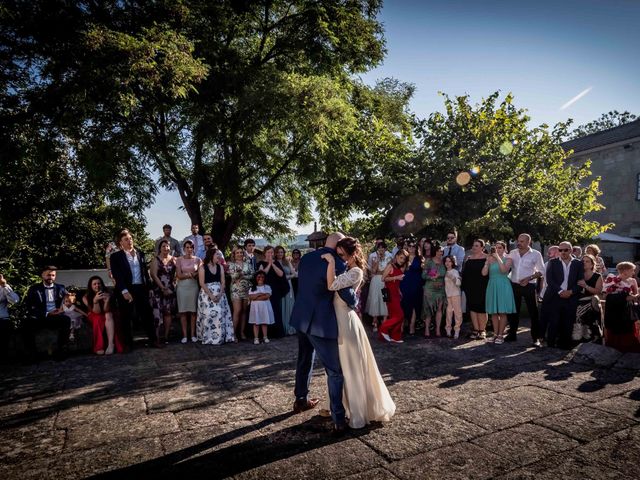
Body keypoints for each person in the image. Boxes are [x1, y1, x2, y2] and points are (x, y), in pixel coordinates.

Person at [321, 236, 396, 428]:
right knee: (341, 367)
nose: (340, 258)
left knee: (351, 366)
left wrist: (330, 263)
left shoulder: (355, 272)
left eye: (342, 255)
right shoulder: (346, 268)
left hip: (347, 322)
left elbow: (332, 285)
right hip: (337, 320)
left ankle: (358, 410)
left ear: (353, 254)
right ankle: (341, 406)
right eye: (337, 255)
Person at [291, 232, 357, 436]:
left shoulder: (306, 258)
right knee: (334, 371)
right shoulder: (337, 262)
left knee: (304, 359)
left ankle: (300, 400)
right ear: (339, 245)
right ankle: (338, 418)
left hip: (301, 316)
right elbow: (347, 296)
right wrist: (355, 298)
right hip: (321, 322)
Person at [110, 229, 158, 349]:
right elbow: (117, 275)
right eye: (126, 239)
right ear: (121, 242)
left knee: (147, 314)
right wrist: (124, 291)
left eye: (130, 239)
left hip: (141, 288)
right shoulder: (116, 257)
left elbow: (144, 272)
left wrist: (149, 287)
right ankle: (127, 344)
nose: (129, 241)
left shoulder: (140, 253)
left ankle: (153, 340)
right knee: (126, 317)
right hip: (127, 289)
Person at [540, 241, 584, 349]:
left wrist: (570, 292)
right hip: (555, 296)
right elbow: (550, 280)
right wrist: (560, 291)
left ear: (571, 250)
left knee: (568, 321)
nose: (563, 252)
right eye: (560, 250)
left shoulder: (578, 264)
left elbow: (580, 282)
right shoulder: (553, 262)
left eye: (565, 250)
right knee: (554, 321)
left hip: (571, 296)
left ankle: (565, 344)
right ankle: (551, 344)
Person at [23, 266, 71, 361]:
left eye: (53, 275)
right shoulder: (34, 289)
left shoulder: (60, 287)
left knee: (66, 320)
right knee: (26, 323)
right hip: (41, 317)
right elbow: (30, 307)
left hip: (56, 317)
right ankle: (32, 354)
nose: (51, 277)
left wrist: (67, 303)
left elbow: (69, 301)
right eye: (48, 275)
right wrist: (47, 313)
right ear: (42, 275)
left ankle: (61, 350)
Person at [506, 233, 545, 343]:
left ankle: (535, 338)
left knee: (533, 312)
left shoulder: (536, 254)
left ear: (529, 242)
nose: (519, 243)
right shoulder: (513, 253)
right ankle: (512, 335)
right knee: (514, 311)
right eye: (518, 241)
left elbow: (542, 271)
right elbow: (506, 265)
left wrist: (529, 278)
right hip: (514, 285)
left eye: (522, 241)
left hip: (529, 285)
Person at [197, 247, 234, 345]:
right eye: (217, 254)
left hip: (220, 293)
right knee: (209, 314)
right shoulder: (202, 268)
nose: (219, 256)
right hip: (206, 294)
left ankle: (220, 337)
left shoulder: (220, 267)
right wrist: (211, 296)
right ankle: (209, 337)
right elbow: (202, 283)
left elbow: (223, 282)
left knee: (221, 314)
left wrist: (220, 293)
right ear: (211, 255)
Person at [482, 241, 516, 344]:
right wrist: (487, 263)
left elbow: (504, 270)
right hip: (492, 285)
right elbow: (484, 273)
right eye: (496, 248)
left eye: (500, 248)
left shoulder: (508, 259)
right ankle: (495, 334)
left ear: (505, 249)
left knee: (502, 311)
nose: (497, 250)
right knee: (493, 312)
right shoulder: (490, 259)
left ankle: (501, 335)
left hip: (503, 285)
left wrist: (497, 257)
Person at [602, 262, 640, 352]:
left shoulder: (632, 281)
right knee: (615, 332)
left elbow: (634, 295)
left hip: (626, 310)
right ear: (625, 271)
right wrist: (626, 297)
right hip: (614, 311)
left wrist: (635, 296)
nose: (634, 273)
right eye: (632, 270)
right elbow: (605, 295)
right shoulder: (611, 278)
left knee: (627, 332)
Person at [82, 276, 123, 355]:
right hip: (94, 313)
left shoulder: (107, 293)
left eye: (99, 283)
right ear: (91, 286)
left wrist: (107, 301)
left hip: (107, 313)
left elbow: (106, 310)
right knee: (98, 318)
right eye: (94, 284)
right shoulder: (85, 297)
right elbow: (96, 312)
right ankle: (99, 346)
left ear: (102, 284)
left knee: (108, 314)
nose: (97, 285)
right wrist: (95, 301)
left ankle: (111, 344)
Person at [149, 240, 177, 343]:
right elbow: (153, 275)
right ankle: (156, 337)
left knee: (168, 313)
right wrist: (162, 288)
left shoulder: (174, 260)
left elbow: (178, 273)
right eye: (164, 246)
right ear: (160, 248)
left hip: (170, 290)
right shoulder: (155, 260)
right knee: (157, 314)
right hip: (157, 290)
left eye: (167, 246)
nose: (166, 248)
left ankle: (166, 336)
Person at [257, 246, 288, 338]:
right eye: (268, 252)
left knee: (276, 310)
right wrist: (269, 264)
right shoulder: (261, 263)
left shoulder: (277, 263)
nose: (270, 254)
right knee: (266, 310)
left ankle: (277, 332)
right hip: (265, 289)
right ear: (265, 253)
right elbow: (262, 274)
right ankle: (267, 333)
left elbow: (281, 274)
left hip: (275, 289)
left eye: (272, 252)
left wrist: (273, 264)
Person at [462, 239, 489, 339]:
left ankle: (482, 330)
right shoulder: (469, 258)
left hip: (483, 287)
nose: (474, 247)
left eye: (477, 246)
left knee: (482, 309)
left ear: (482, 247)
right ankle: (476, 330)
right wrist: (464, 287)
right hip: (470, 287)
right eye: (473, 245)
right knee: (472, 308)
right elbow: (465, 273)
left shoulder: (487, 258)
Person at [175, 240, 202, 343]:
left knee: (193, 312)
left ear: (193, 249)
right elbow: (179, 275)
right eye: (187, 247)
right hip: (182, 288)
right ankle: (185, 335)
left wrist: (189, 275)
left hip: (193, 287)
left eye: (191, 247)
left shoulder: (198, 260)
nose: (189, 249)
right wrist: (190, 275)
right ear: (184, 248)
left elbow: (199, 273)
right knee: (183, 312)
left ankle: (193, 334)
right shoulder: (179, 259)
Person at [379, 249, 408, 343]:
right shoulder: (390, 266)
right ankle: (383, 329)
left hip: (395, 293)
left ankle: (395, 337)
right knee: (400, 315)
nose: (402, 260)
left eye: (404, 259)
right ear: (396, 256)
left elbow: (397, 283)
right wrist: (396, 277)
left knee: (394, 315)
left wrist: (399, 291)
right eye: (401, 258)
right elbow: (383, 279)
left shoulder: (399, 267)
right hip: (388, 293)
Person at [576, 254, 604, 342]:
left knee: (592, 327)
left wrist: (586, 286)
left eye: (587, 261)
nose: (584, 263)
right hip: (577, 304)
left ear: (592, 265)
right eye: (583, 261)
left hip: (591, 304)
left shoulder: (597, 276)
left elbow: (598, 291)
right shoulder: (577, 274)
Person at [365, 241, 391, 332]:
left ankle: (385, 321)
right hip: (375, 281)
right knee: (375, 300)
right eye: (379, 248)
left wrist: (381, 272)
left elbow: (387, 271)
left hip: (385, 281)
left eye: (382, 248)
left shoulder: (389, 258)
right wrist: (377, 262)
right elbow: (373, 271)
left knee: (385, 299)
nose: (381, 250)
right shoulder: (374, 258)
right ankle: (375, 321)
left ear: (385, 249)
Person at [228, 245, 253, 340]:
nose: (239, 254)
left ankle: (242, 332)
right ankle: (233, 334)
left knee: (244, 311)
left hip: (246, 290)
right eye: (237, 253)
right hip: (236, 290)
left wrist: (242, 276)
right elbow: (233, 277)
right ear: (234, 255)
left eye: (241, 252)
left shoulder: (247, 264)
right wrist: (239, 274)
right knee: (237, 311)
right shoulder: (231, 264)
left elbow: (252, 275)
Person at [422, 243, 446, 337]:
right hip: (430, 289)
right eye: (439, 251)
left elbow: (447, 273)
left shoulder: (444, 262)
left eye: (442, 252)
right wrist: (431, 277)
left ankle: (438, 329)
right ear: (435, 251)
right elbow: (423, 276)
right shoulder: (429, 261)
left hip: (440, 288)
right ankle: (427, 329)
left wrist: (440, 276)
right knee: (428, 310)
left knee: (439, 309)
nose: (441, 253)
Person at [400, 241, 423, 335]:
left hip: (416, 284)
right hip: (404, 283)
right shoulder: (403, 258)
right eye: (410, 246)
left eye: (414, 246)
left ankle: (412, 326)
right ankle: (401, 325)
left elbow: (423, 270)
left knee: (414, 305)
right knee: (403, 304)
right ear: (407, 247)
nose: (412, 248)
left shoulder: (420, 258)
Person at [248, 271, 275, 344]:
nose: (261, 278)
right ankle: (256, 338)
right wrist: (259, 294)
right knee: (256, 323)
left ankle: (265, 337)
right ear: (255, 278)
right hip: (255, 308)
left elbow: (266, 296)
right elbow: (251, 297)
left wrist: (256, 296)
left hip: (264, 307)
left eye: (262, 277)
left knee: (264, 322)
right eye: (259, 277)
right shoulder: (252, 288)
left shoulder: (267, 287)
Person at [276, 245, 297, 335]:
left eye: (282, 252)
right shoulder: (275, 262)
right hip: (279, 286)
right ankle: (283, 328)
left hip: (288, 285)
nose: (280, 254)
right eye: (278, 252)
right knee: (282, 306)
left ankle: (290, 328)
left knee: (289, 305)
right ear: (275, 253)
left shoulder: (287, 262)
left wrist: (286, 277)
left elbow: (294, 274)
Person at [0, 273, 20, 361]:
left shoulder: (3, 287)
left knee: (4, 327)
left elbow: (15, 300)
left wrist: (4, 285)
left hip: (2, 319)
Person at [444, 256, 463, 339]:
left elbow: (458, 283)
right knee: (448, 313)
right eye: (446, 261)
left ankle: (457, 330)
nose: (447, 263)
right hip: (447, 295)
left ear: (452, 262)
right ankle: (448, 329)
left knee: (457, 313)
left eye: (449, 261)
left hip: (455, 294)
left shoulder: (455, 271)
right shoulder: (443, 272)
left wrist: (452, 277)